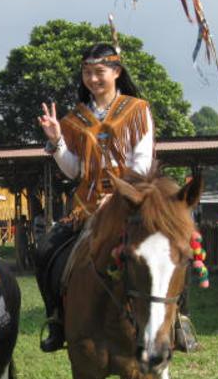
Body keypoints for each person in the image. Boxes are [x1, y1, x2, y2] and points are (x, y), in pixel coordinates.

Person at [34, 42, 154, 352]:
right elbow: (74, 171)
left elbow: (141, 162)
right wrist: (58, 141)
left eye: (99, 72)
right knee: (47, 249)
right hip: (85, 208)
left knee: (173, 248)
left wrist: (118, 197)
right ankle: (57, 320)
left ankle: (179, 321)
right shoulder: (74, 118)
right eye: (87, 72)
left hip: (130, 203)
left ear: (116, 72)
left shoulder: (138, 110)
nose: (93, 79)